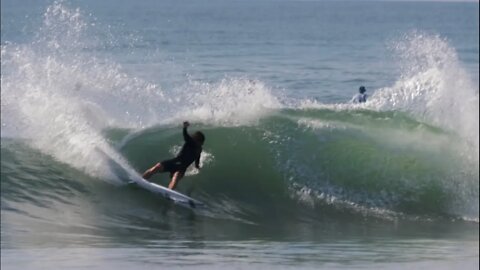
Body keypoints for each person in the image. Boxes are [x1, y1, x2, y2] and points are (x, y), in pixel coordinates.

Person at [142, 121, 205, 190]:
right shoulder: (190, 142)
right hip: (174, 163)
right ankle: (142, 180)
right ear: (196, 140)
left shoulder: (199, 150)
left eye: (201, 143)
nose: (201, 144)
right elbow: (186, 136)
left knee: (176, 177)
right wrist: (184, 128)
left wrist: (197, 167)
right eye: (200, 142)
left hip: (181, 169)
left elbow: (197, 161)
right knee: (156, 167)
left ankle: (169, 193)